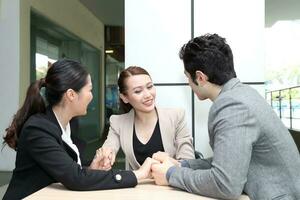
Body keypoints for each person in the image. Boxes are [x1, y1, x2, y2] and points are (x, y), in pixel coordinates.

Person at [151, 34, 300, 200]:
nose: (188, 83)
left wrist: (171, 174)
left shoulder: (232, 107)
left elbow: (226, 185)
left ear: (200, 77)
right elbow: (230, 162)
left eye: (188, 77)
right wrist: (182, 164)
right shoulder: (243, 94)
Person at [2, 59, 157, 199]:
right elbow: (76, 178)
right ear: (71, 94)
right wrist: (138, 174)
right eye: (89, 90)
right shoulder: (38, 129)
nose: (91, 96)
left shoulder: (69, 124)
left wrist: (90, 168)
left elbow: (67, 168)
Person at [97, 66, 195, 171]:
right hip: (138, 185)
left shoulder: (176, 116)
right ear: (125, 98)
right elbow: (109, 148)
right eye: (138, 91)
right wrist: (105, 156)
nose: (148, 95)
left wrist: (169, 163)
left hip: (171, 184)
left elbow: (189, 163)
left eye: (149, 87)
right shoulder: (118, 122)